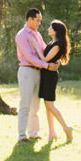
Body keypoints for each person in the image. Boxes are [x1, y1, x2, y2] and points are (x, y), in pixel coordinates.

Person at [15, 8, 58, 142]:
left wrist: (56, 55)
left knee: (35, 105)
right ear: (30, 19)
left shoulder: (37, 34)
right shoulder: (21, 35)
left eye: (40, 20)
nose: (39, 23)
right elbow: (28, 56)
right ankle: (22, 134)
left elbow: (44, 50)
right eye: (37, 20)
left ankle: (33, 132)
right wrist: (47, 66)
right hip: (27, 71)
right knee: (25, 104)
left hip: (38, 71)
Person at [39, 19, 73, 142]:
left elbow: (44, 59)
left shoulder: (57, 45)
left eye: (50, 28)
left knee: (49, 105)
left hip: (50, 76)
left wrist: (34, 46)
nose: (48, 29)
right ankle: (52, 132)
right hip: (45, 75)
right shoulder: (52, 42)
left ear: (55, 31)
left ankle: (66, 127)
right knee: (47, 105)